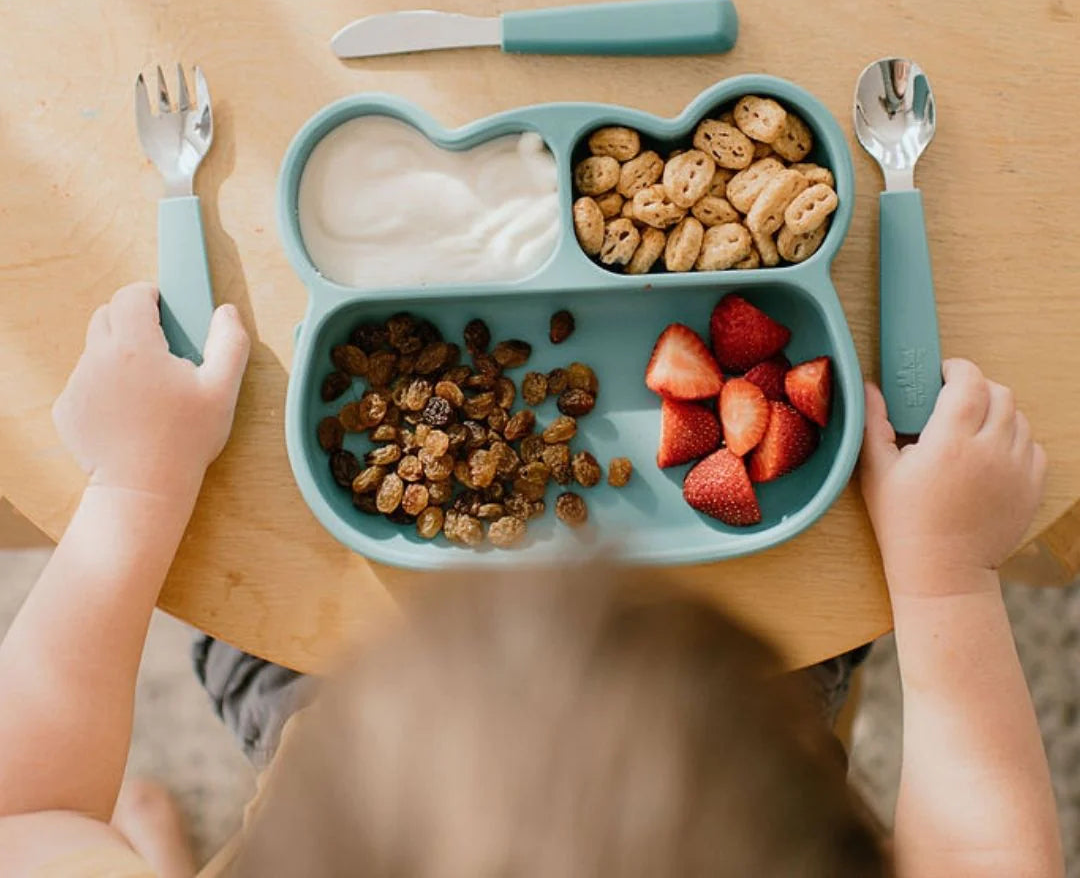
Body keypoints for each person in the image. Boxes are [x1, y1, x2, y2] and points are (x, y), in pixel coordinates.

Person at [0, 283, 1062, 876]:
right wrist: (942, 578)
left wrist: (137, 484)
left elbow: (23, 813)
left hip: (311, 746)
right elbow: (983, 850)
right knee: (822, 614)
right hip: (765, 712)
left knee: (253, 637)